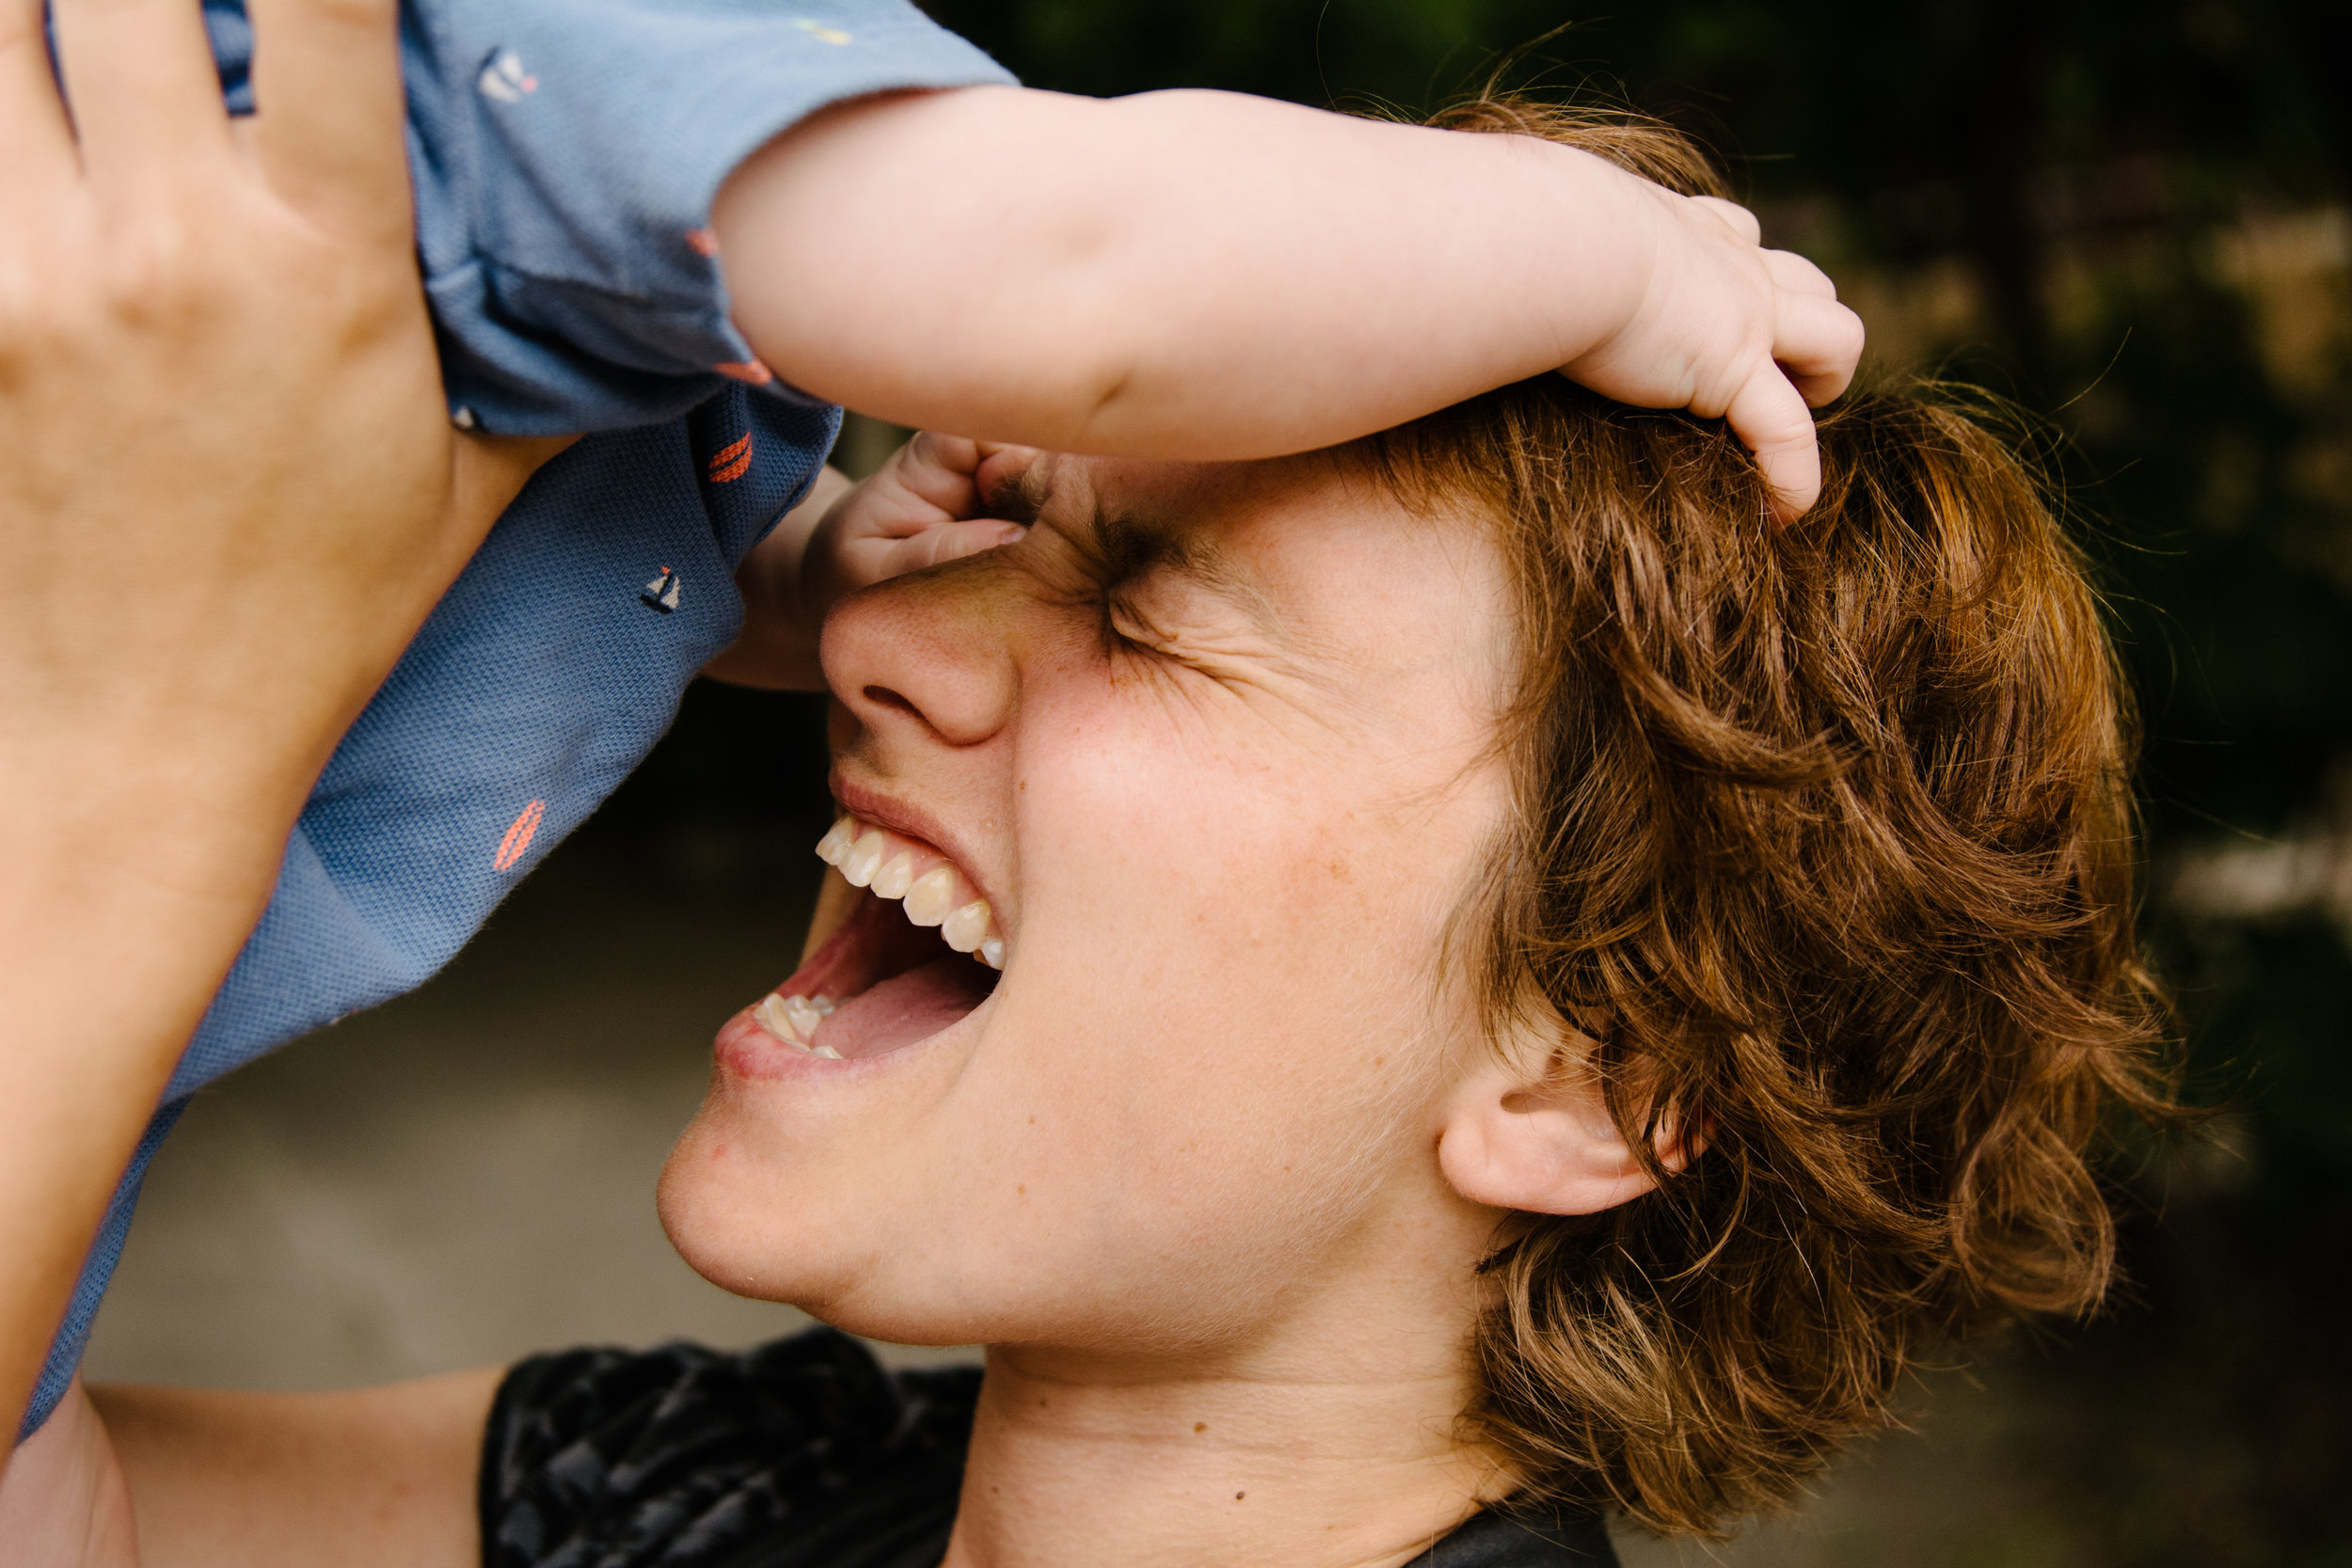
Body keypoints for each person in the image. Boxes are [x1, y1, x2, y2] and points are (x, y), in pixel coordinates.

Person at [1, 9, 2184, 1558]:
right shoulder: (717, 1497)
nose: (868, 631)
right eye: (994, 526)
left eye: (1142, 617)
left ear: (1593, 1078)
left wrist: (152, 746)